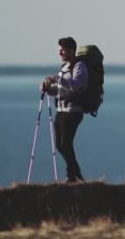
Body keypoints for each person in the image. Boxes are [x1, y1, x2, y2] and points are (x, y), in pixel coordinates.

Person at [40, 37, 88, 182]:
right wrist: (48, 89)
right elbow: (60, 91)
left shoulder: (79, 66)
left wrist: (57, 79)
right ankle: (75, 173)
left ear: (71, 50)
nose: (60, 52)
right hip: (61, 111)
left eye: (63, 49)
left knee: (66, 143)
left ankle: (72, 176)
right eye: (59, 49)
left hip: (74, 111)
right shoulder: (64, 68)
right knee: (60, 146)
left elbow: (76, 86)